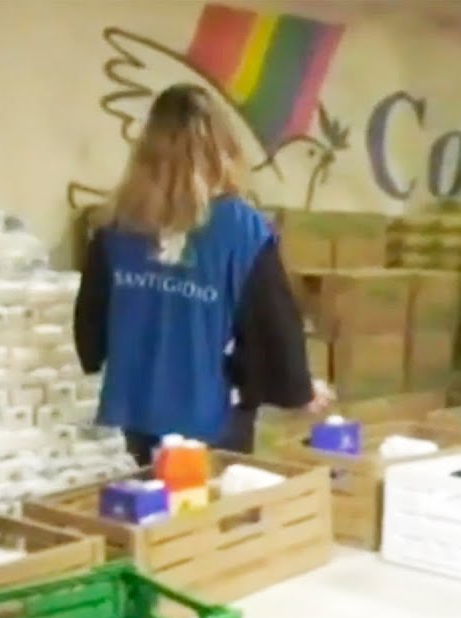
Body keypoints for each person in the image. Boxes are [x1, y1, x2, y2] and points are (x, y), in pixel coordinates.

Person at [74, 83, 332, 466]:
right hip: (211, 422)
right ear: (221, 149)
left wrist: (97, 356)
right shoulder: (243, 229)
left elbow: (90, 326)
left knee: (150, 499)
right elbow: (271, 324)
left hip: (135, 412)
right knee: (205, 501)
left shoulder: (116, 224)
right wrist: (299, 389)